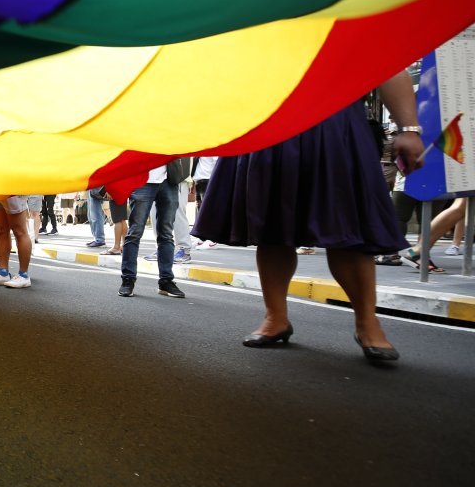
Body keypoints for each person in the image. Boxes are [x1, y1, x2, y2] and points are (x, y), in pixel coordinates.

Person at [193, 72, 424, 362]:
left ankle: (367, 322)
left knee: (347, 227)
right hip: (269, 121)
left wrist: (409, 129)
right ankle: (276, 317)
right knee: (271, 228)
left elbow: (390, 68)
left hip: (336, 124)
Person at [118, 161, 187, 298]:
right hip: (142, 180)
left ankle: (166, 281)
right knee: (135, 232)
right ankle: (128, 280)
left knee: (166, 234)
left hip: (169, 180)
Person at [0, 196, 33, 288]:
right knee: (2, 231)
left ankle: (23, 275)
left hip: (13, 191)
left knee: (19, 231)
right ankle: (3, 272)